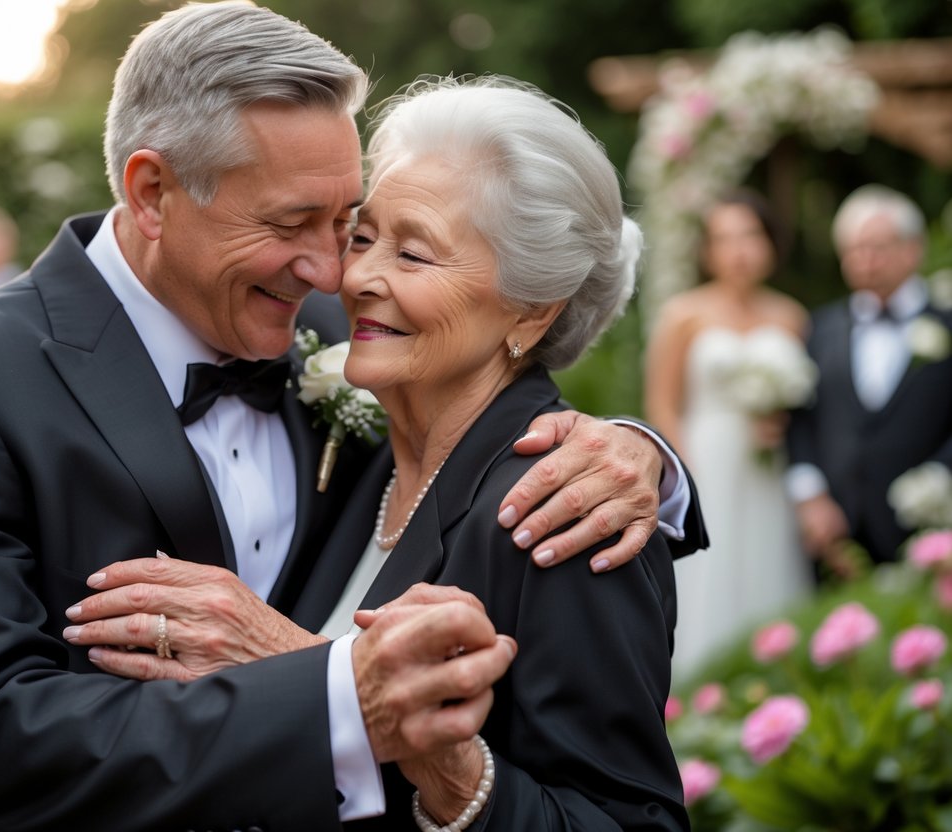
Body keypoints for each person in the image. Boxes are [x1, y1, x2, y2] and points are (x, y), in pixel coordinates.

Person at [0, 5, 705, 829]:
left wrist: (645, 457)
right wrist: (333, 691)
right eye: (301, 224)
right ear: (152, 191)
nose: (336, 270)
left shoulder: (511, 467)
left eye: (350, 223)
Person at [68, 75, 692, 830]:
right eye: (361, 237)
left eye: (414, 255)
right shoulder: (362, 459)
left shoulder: (562, 517)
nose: (354, 277)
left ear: (530, 310)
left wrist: (452, 774)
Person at [644, 190, 812, 677]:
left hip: (768, 468)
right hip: (706, 461)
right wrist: (685, 476)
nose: (738, 250)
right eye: (724, 239)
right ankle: (699, 686)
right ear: (707, 251)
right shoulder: (684, 315)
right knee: (706, 575)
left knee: (767, 563)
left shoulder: (791, 317)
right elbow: (662, 402)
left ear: (770, 244)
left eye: (749, 236)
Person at [788, 185, 952, 568]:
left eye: (877, 247)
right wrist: (811, 496)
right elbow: (801, 421)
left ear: (913, 249)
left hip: (931, 534)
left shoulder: (947, 326)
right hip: (836, 537)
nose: (865, 260)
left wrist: (937, 484)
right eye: (853, 249)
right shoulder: (820, 329)